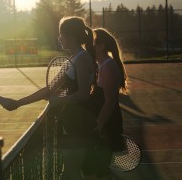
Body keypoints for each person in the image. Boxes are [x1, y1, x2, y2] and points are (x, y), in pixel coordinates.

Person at [9, 16, 98, 180]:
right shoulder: (71, 60)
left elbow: (84, 94)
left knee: (70, 174)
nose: (59, 38)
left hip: (80, 123)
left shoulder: (82, 59)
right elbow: (48, 90)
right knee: (71, 173)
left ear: (69, 37)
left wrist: (59, 100)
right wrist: (18, 103)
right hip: (71, 122)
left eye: (60, 35)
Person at [82, 28, 129, 180]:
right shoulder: (100, 66)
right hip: (100, 125)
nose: (87, 46)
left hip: (105, 126)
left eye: (91, 43)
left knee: (100, 170)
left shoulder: (109, 66)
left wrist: (99, 126)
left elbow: (110, 102)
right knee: (90, 168)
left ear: (101, 46)